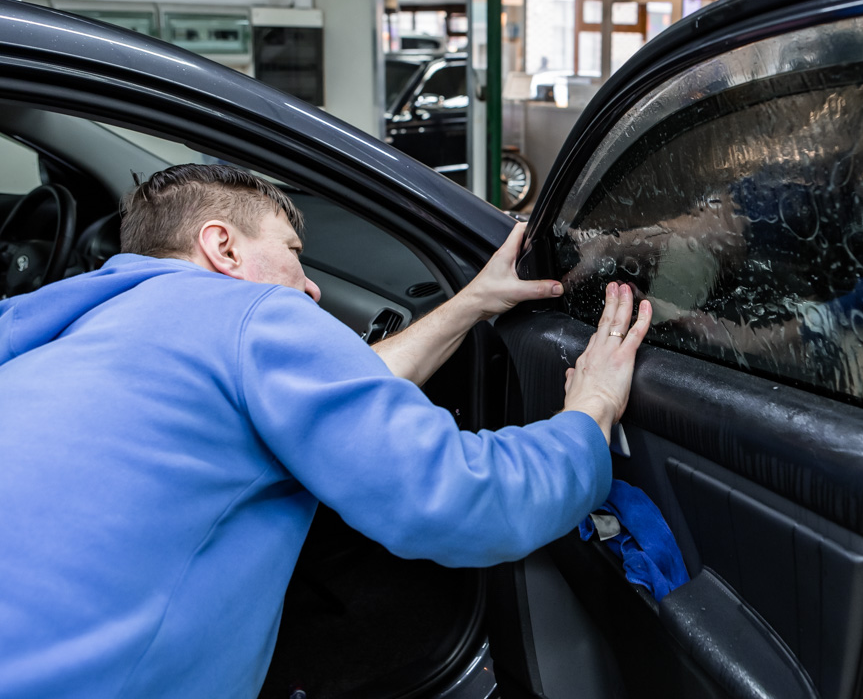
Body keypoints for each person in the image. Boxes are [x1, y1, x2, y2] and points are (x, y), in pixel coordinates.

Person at [0, 164, 652, 698]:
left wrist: (475, 301)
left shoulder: (85, 324)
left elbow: (344, 390)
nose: (310, 288)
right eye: (292, 253)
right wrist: (589, 415)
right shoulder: (248, 312)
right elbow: (463, 498)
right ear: (222, 247)